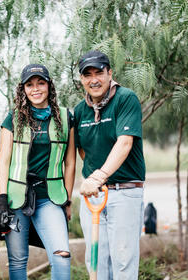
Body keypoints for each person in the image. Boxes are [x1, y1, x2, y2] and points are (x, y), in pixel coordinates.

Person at [0, 63, 76, 280]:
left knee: (62, 256)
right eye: (30, 85)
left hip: (49, 198)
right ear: (23, 89)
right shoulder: (12, 119)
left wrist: (67, 200)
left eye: (41, 83)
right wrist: (2, 200)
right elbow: (4, 163)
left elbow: (70, 162)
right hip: (16, 199)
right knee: (18, 261)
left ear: (49, 86)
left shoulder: (67, 118)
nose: (36, 89)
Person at [74, 50, 145, 280]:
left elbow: (124, 143)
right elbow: (83, 150)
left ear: (109, 73)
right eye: (87, 75)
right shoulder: (80, 110)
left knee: (123, 261)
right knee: (95, 261)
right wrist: (94, 180)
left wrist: (99, 176)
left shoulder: (125, 98)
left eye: (99, 72)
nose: (93, 79)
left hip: (124, 192)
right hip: (93, 196)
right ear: (82, 79)